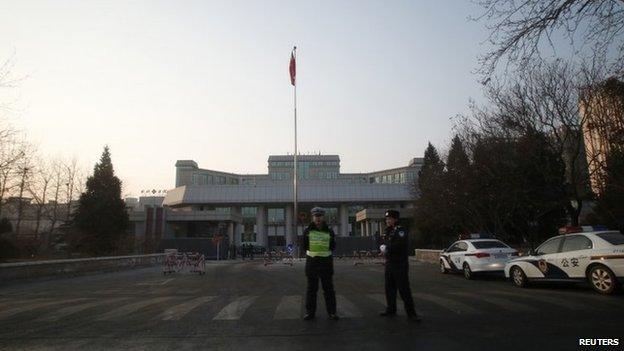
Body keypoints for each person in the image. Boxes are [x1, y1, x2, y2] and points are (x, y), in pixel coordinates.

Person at [379, 210, 421, 322]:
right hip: (389, 263)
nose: (387, 220)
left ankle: (411, 314)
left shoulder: (400, 230)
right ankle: (391, 309)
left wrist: (388, 248)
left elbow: (400, 245)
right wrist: (383, 248)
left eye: (389, 219)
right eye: (386, 219)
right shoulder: (388, 231)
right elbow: (386, 243)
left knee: (404, 289)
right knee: (389, 288)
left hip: (399, 264)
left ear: (395, 219)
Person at [302, 207, 338, 321]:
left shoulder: (329, 231)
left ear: (323, 217)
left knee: (329, 290)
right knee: (311, 290)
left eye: (320, 216)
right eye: (316, 216)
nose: (318, 218)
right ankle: (310, 313)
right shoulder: (307, 231)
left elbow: (333, 246)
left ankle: (332, 312)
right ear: (313, 217)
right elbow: (304, 246)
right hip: (312, 264)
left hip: (326, 264)